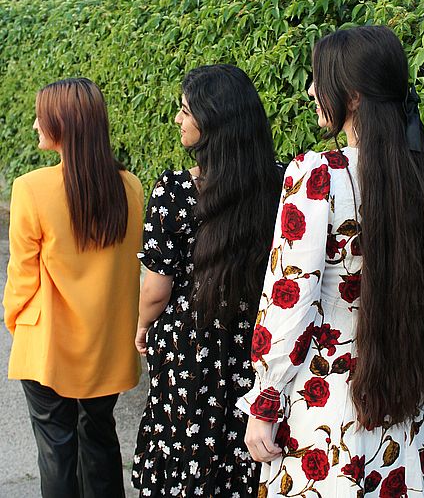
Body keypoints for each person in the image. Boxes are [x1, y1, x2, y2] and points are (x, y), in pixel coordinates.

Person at [239, 25, 424, 497]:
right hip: (405, 398)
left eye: (320, 79)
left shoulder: (318, 175)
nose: (310, 90)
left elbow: (289, 298)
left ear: (354, 96)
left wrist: (266, 398)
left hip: (330, 403)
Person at [131, 64, 283, 497]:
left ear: (213, 119)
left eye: (185, 110)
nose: (178, 119)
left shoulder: (175, 191)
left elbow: (156, 288)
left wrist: (142, 326)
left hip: (189, 352)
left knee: (184, 456)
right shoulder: (283, 182)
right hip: (255, 345)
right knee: (245, 460)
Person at [2, 78, 143, 498]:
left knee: (56, 451)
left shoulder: (31, 189)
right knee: (99, 437)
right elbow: (127, 270)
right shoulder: (130, 187)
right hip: (105, 345)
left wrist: (15, 321)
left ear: (63, 123)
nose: (35, 124)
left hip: (47, 344)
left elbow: (22, 276)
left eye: (41, 116)